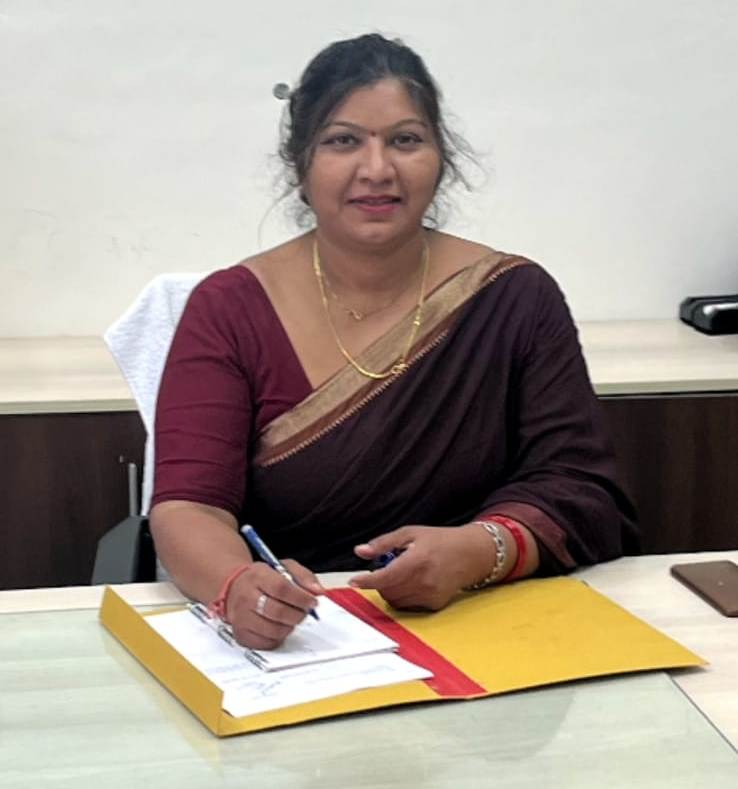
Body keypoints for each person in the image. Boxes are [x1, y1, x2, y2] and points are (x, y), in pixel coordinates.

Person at [149, 33, 638, 650]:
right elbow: (189, 506)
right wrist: (239, 586)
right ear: (301, 166)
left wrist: (477, 551)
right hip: (306, 637)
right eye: (343, 141)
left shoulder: (513, 296)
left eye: (405, 140)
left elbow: (581, 488)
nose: (377, 169)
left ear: (441, 159)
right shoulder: (229, 308)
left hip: (488, 620)